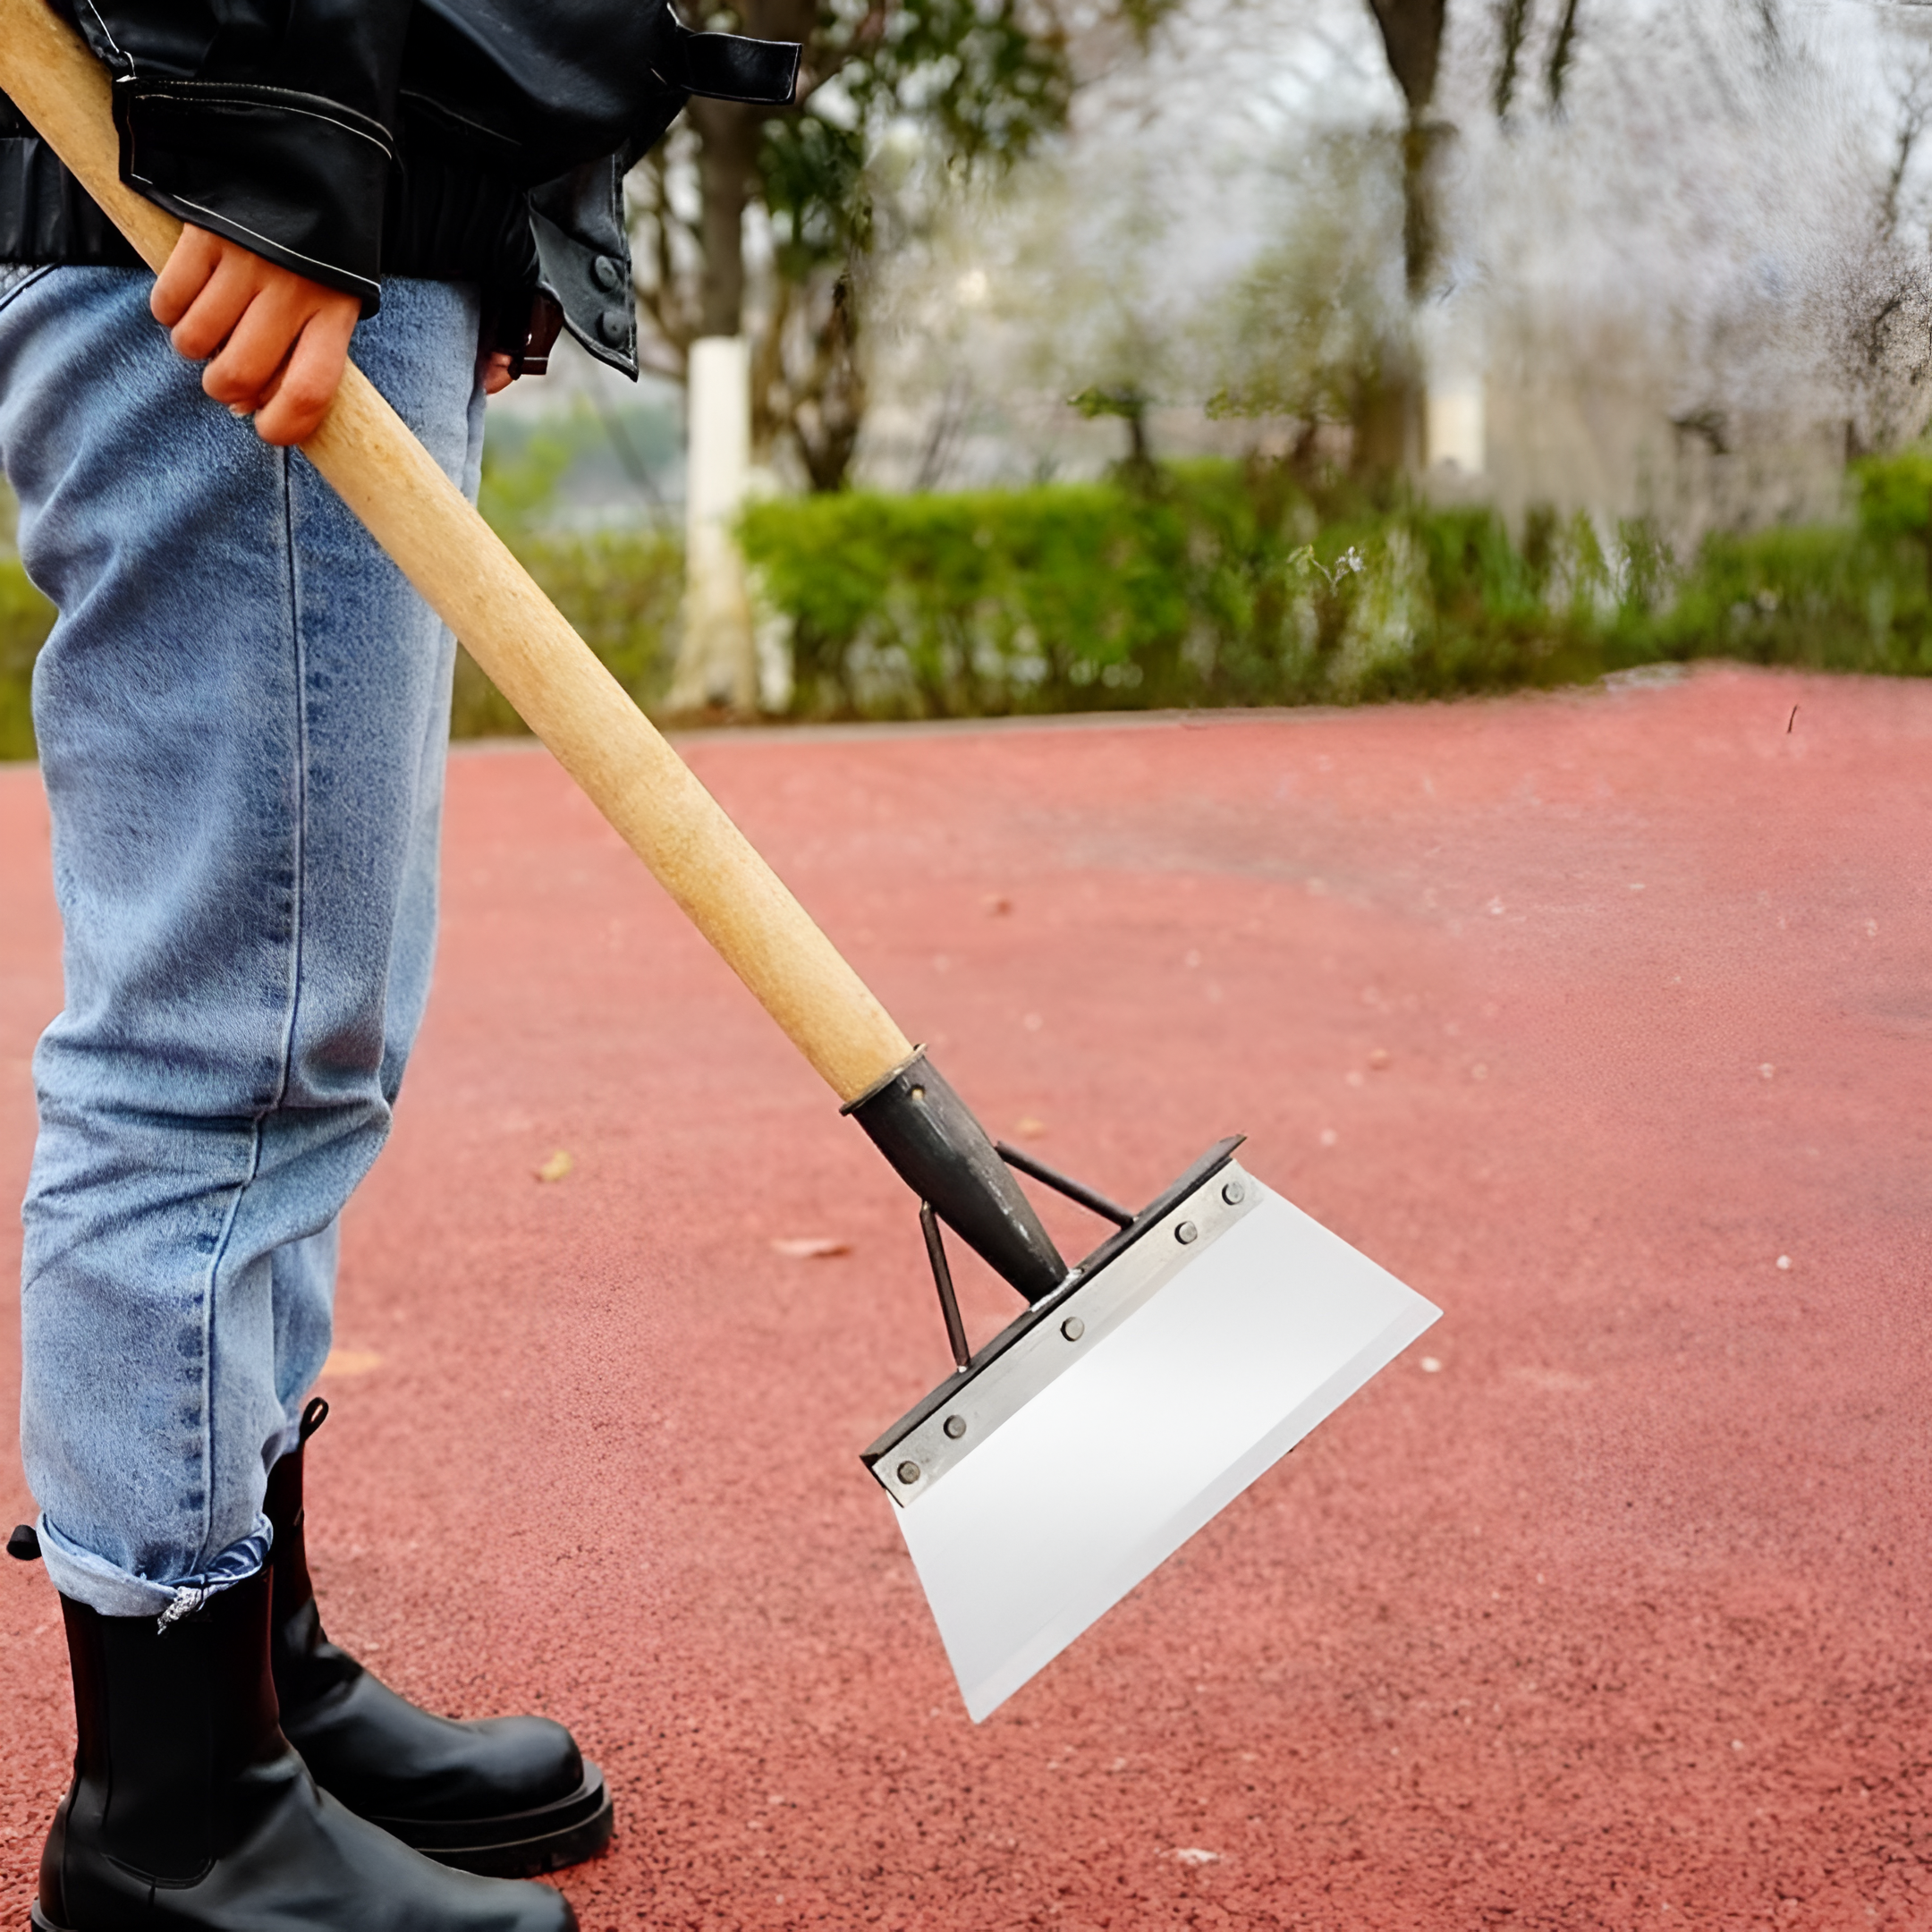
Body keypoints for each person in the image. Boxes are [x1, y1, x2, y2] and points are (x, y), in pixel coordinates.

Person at [0, 3, 797, 1927]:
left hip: (326, 198)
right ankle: (176, 1810)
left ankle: (254, 1683)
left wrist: (492, 218)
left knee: (308, 1041)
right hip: (224, 196)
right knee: (228, 1049)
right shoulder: (252, 173)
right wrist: (278, 144)